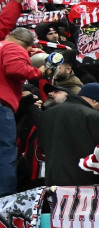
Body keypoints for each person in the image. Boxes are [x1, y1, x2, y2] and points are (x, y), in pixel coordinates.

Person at [0, 27, 46, 197]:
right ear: (26, 45)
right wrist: (38, 71)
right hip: (1, 105)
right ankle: (4, 200)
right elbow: (16, 69)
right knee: (4, 153)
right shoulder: (12, 47)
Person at [39, 82, 99, 186]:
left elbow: (42, 146)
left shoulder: (48, 113)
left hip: (53, 180)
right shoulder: (96, 117)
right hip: (85, 183)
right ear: (95, 101)